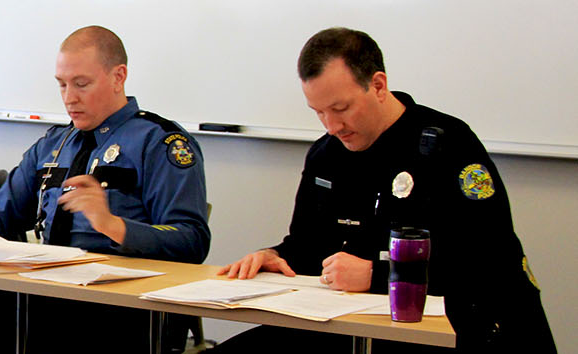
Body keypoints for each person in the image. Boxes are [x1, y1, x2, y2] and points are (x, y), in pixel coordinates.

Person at [211, 27, 556, 353]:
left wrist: (379, 275)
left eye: (341, 109)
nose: (332, 127)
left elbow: (485, 261)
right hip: (355, 322)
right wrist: (275, 257)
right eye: (319, 113)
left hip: (464, 325)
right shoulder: (325, 154)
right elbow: (309, 245)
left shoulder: (445, 144)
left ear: (377, 86)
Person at [0, 25, 210, 354]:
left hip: (120, 307)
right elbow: (5, 205)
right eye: (62, 85)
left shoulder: (160, 142)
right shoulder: (55, 142)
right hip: (47, 292)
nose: (69, 97)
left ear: (118, 77)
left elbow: (191, 240)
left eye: (81, 84)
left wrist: (113, 226)